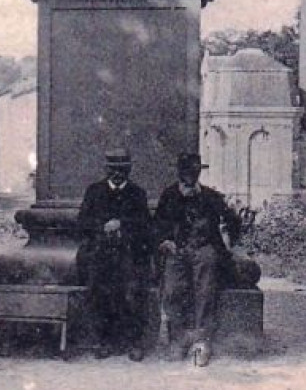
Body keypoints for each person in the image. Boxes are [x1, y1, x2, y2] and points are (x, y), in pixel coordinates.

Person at [154, 152, 242, 366]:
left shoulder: (211, 197)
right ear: (179, 173)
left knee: (205, 289)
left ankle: (202, 341)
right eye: (186, 173)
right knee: (172, 289)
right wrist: (164, 241)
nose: (190, 177)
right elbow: (156, 225)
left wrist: (229, 243)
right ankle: (178, 338)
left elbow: (233, 221)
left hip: (204, 249)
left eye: (195, 172)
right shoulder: (169, 196)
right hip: (177, 250)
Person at [76, 147, 152, 360]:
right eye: (113, 169)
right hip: (100, 252)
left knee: (133, 290)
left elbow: (145, 225)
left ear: (129, 170)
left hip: (129, 252)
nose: (118, 174)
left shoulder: (137, 194)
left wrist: (122, 225)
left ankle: (134, 342)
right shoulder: (94, 191)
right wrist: (103, 226)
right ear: (106, 169)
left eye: (122, 170)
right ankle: (103, 340)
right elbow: (83, 222)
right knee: (99, 289)